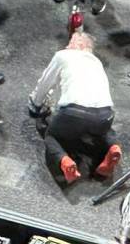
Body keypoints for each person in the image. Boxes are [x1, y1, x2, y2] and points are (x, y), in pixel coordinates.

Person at [28, 32, 123, 184]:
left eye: (71, 42)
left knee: (51, 137)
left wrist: (35, 104)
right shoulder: (97, 62)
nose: (67, 46)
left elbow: (45, 83)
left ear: (81, 45)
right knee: (106, 131)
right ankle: (113, 147)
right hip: (105, 114)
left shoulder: (64, 55)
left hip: (73, 114)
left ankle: (65, 161)